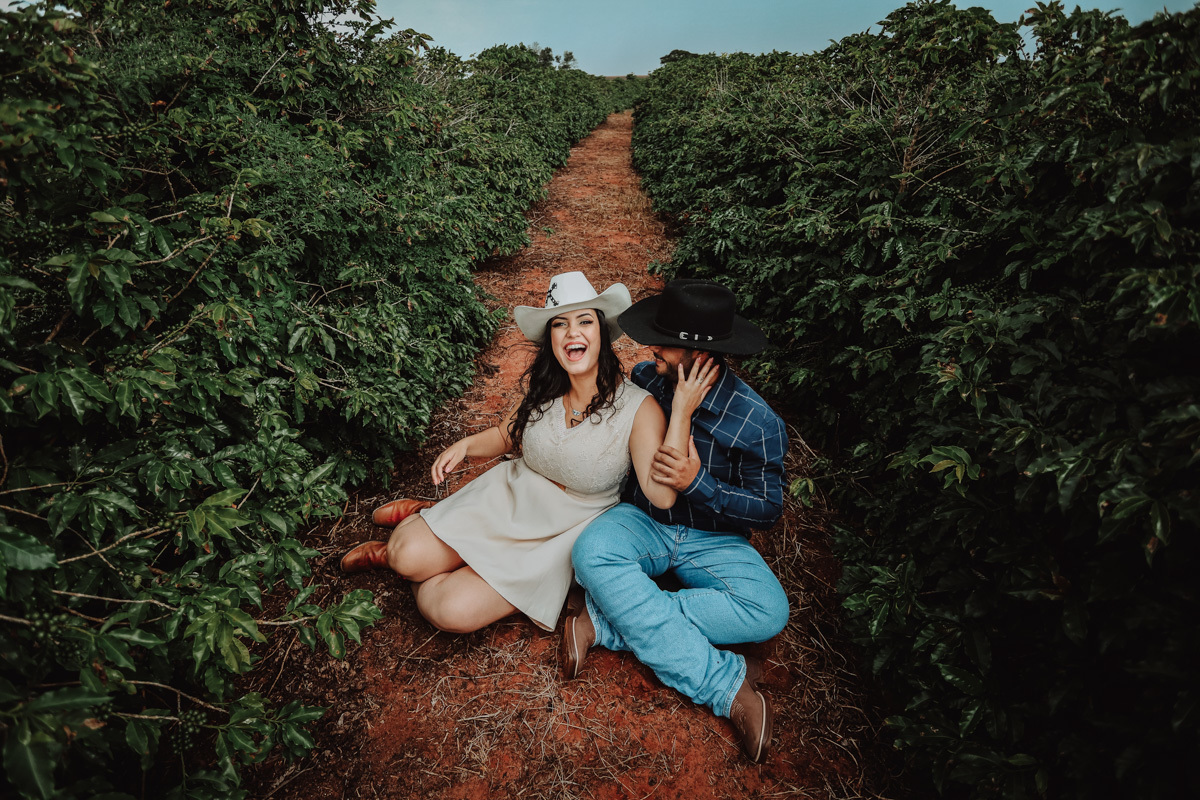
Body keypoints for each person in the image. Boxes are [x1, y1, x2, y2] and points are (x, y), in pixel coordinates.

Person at [338, 272, 718, 635]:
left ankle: (430, 525)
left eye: (584, 321)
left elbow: (662, 494)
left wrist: (681, 410)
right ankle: (411, 536)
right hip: (509, 497)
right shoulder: (544, 386)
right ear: (551, 338)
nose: (572, 332)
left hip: (563, 529)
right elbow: (507, 435)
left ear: (600, 332)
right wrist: (466, 445)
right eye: (559, 324)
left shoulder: (639, 408)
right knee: (405, 557)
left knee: (449, 611)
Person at [564, 279, 790, 764]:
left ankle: (605, 623)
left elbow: (769, 508)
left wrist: (699, 484)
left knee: (769, 611)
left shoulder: (757, 421)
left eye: (663, 342)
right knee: (589, 554)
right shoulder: (647, 381)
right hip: (643, 520)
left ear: (698, 353)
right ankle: (727, 687)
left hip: (714, 539)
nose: (650, 349)